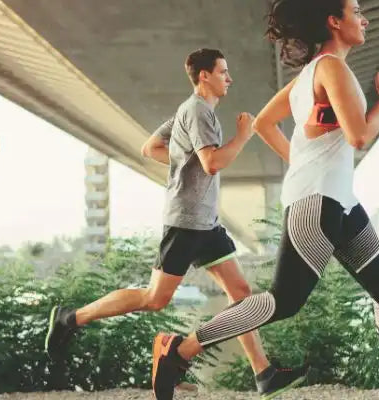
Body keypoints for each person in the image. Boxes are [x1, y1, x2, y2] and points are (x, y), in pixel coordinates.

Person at [148, 1, 379, 399]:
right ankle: (179, 351)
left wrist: (303, 159)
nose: (364, 19)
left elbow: (264, 124)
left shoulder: (310, 74)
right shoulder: (332, 68)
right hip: (316, 202)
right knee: (283, 300)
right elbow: (358, 136)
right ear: (334, 21)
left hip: (341, 200)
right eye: (356, 11)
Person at [44, 48, 308, 399]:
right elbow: (213, 163)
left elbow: (150, 147)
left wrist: (183, 160)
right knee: (154, 298)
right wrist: (244, 135)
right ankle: (70, 317)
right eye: (223, 72)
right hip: (185, 223)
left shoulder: (193, 111)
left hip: (207, 224)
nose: (229, 78)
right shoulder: (197, 110)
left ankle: (264, 373)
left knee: (241, 294)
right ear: (204, 76)